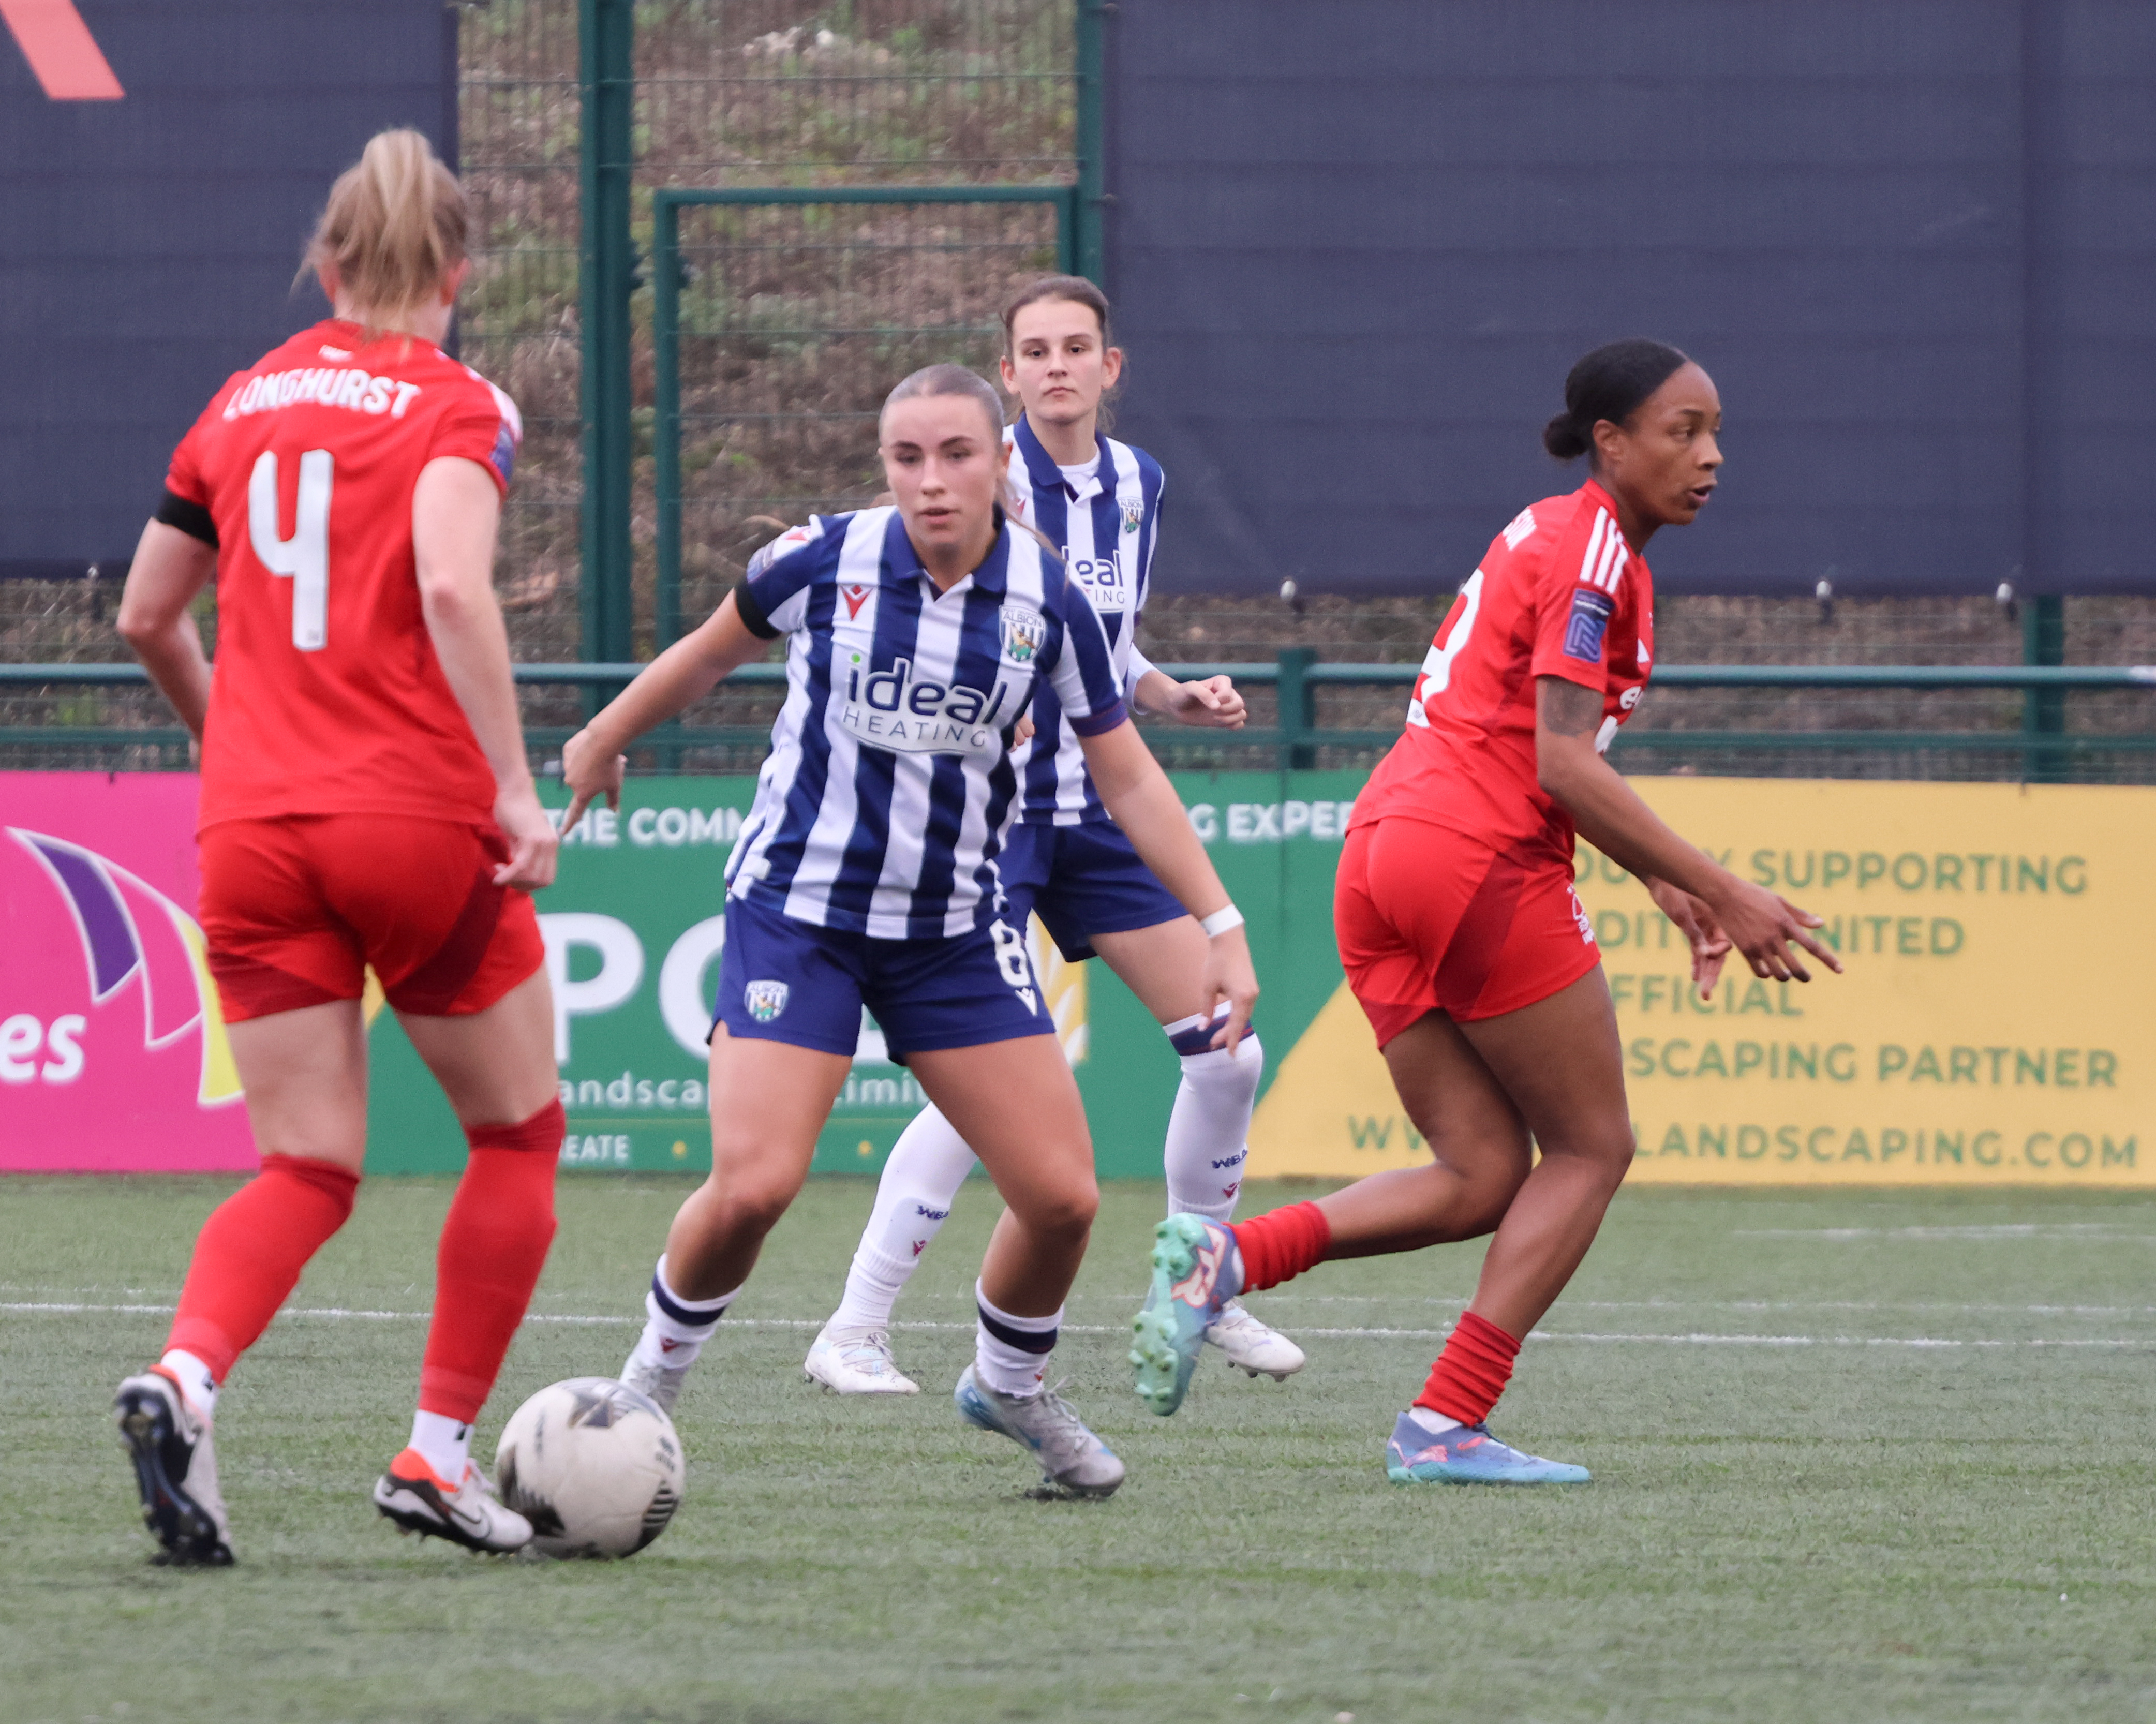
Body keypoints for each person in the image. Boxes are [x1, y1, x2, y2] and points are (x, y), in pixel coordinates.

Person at [1129, 339, 1841, 1483]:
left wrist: (1665, 882)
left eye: (1715, 432)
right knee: (1593, 1147)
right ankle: (1444, 1424)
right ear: (1611, 441)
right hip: (1473, 855)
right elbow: (1558, 765)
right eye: (1682, 430)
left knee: (1478, 1175)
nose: (1710, 456)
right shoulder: (1597, 546)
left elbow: (1549, 749)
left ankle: (1224, 1260)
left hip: (1384, 850)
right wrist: (1727, 888)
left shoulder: (1564, 532)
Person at [558, 364, 1259, 1497]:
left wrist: (1220, 923)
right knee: (752, 1186)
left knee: (1065, 1198)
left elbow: (1127, 778)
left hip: (951, 931)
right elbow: (707, 650)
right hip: (801, 918)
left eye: (957, 455)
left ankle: (1009, 1383)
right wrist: (601, 735)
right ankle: (645, 1390)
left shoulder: (1047, 600)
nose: (932, 482)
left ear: (999, 461)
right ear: (885, 466)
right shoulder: (822, 558)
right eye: (907, 458)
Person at [108, 129, 563, 1562]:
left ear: (324, 264)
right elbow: (448, 578)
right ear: (455, 272)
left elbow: (143, 615)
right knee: (519, 1131)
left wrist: (232, 742)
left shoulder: (237, 401)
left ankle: (184, 1377)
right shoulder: (453, 400)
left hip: (249, 828)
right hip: (411, 815)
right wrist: (512, 782)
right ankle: (433, 1453)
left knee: (303, 1165)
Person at [802, 277, 1304, 1396]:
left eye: (1079, 346)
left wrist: (1171, 695)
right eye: (1037, 350)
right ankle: (855, 1324)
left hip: (1099, 813)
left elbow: (1098, 645)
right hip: (994, 819)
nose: (1060, 365)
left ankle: (1198, 1284)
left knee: (1231, 1050)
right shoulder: (981, 471)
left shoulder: (1138, 484)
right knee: (982, 1085)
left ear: (1110, 368)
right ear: (1010, 372)